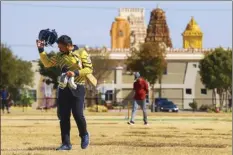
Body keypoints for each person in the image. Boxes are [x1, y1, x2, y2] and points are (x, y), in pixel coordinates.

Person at [36, 35, 92, 150]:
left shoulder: (82, 53)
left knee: (77, 114)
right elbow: (47, 63)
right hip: (63, 88)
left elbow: (89, 69)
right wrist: (41, 49)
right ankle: (66, 143)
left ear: (68, 46)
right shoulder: (59, 56)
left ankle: (84, 134)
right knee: (64, 116)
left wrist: (75, 73)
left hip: (78, 87)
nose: (59, 49)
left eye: (60, 47)